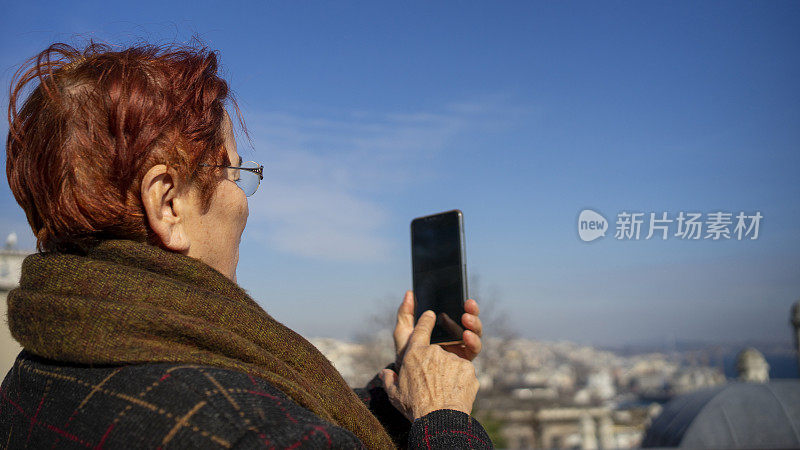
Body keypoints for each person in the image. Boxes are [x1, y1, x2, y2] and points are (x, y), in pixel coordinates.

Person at [0, 42, 492, 449]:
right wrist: (444, 416)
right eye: (234, 172)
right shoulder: (244, 428)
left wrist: (405, 384)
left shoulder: (30, 377)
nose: (244, 202)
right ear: (167, 203)